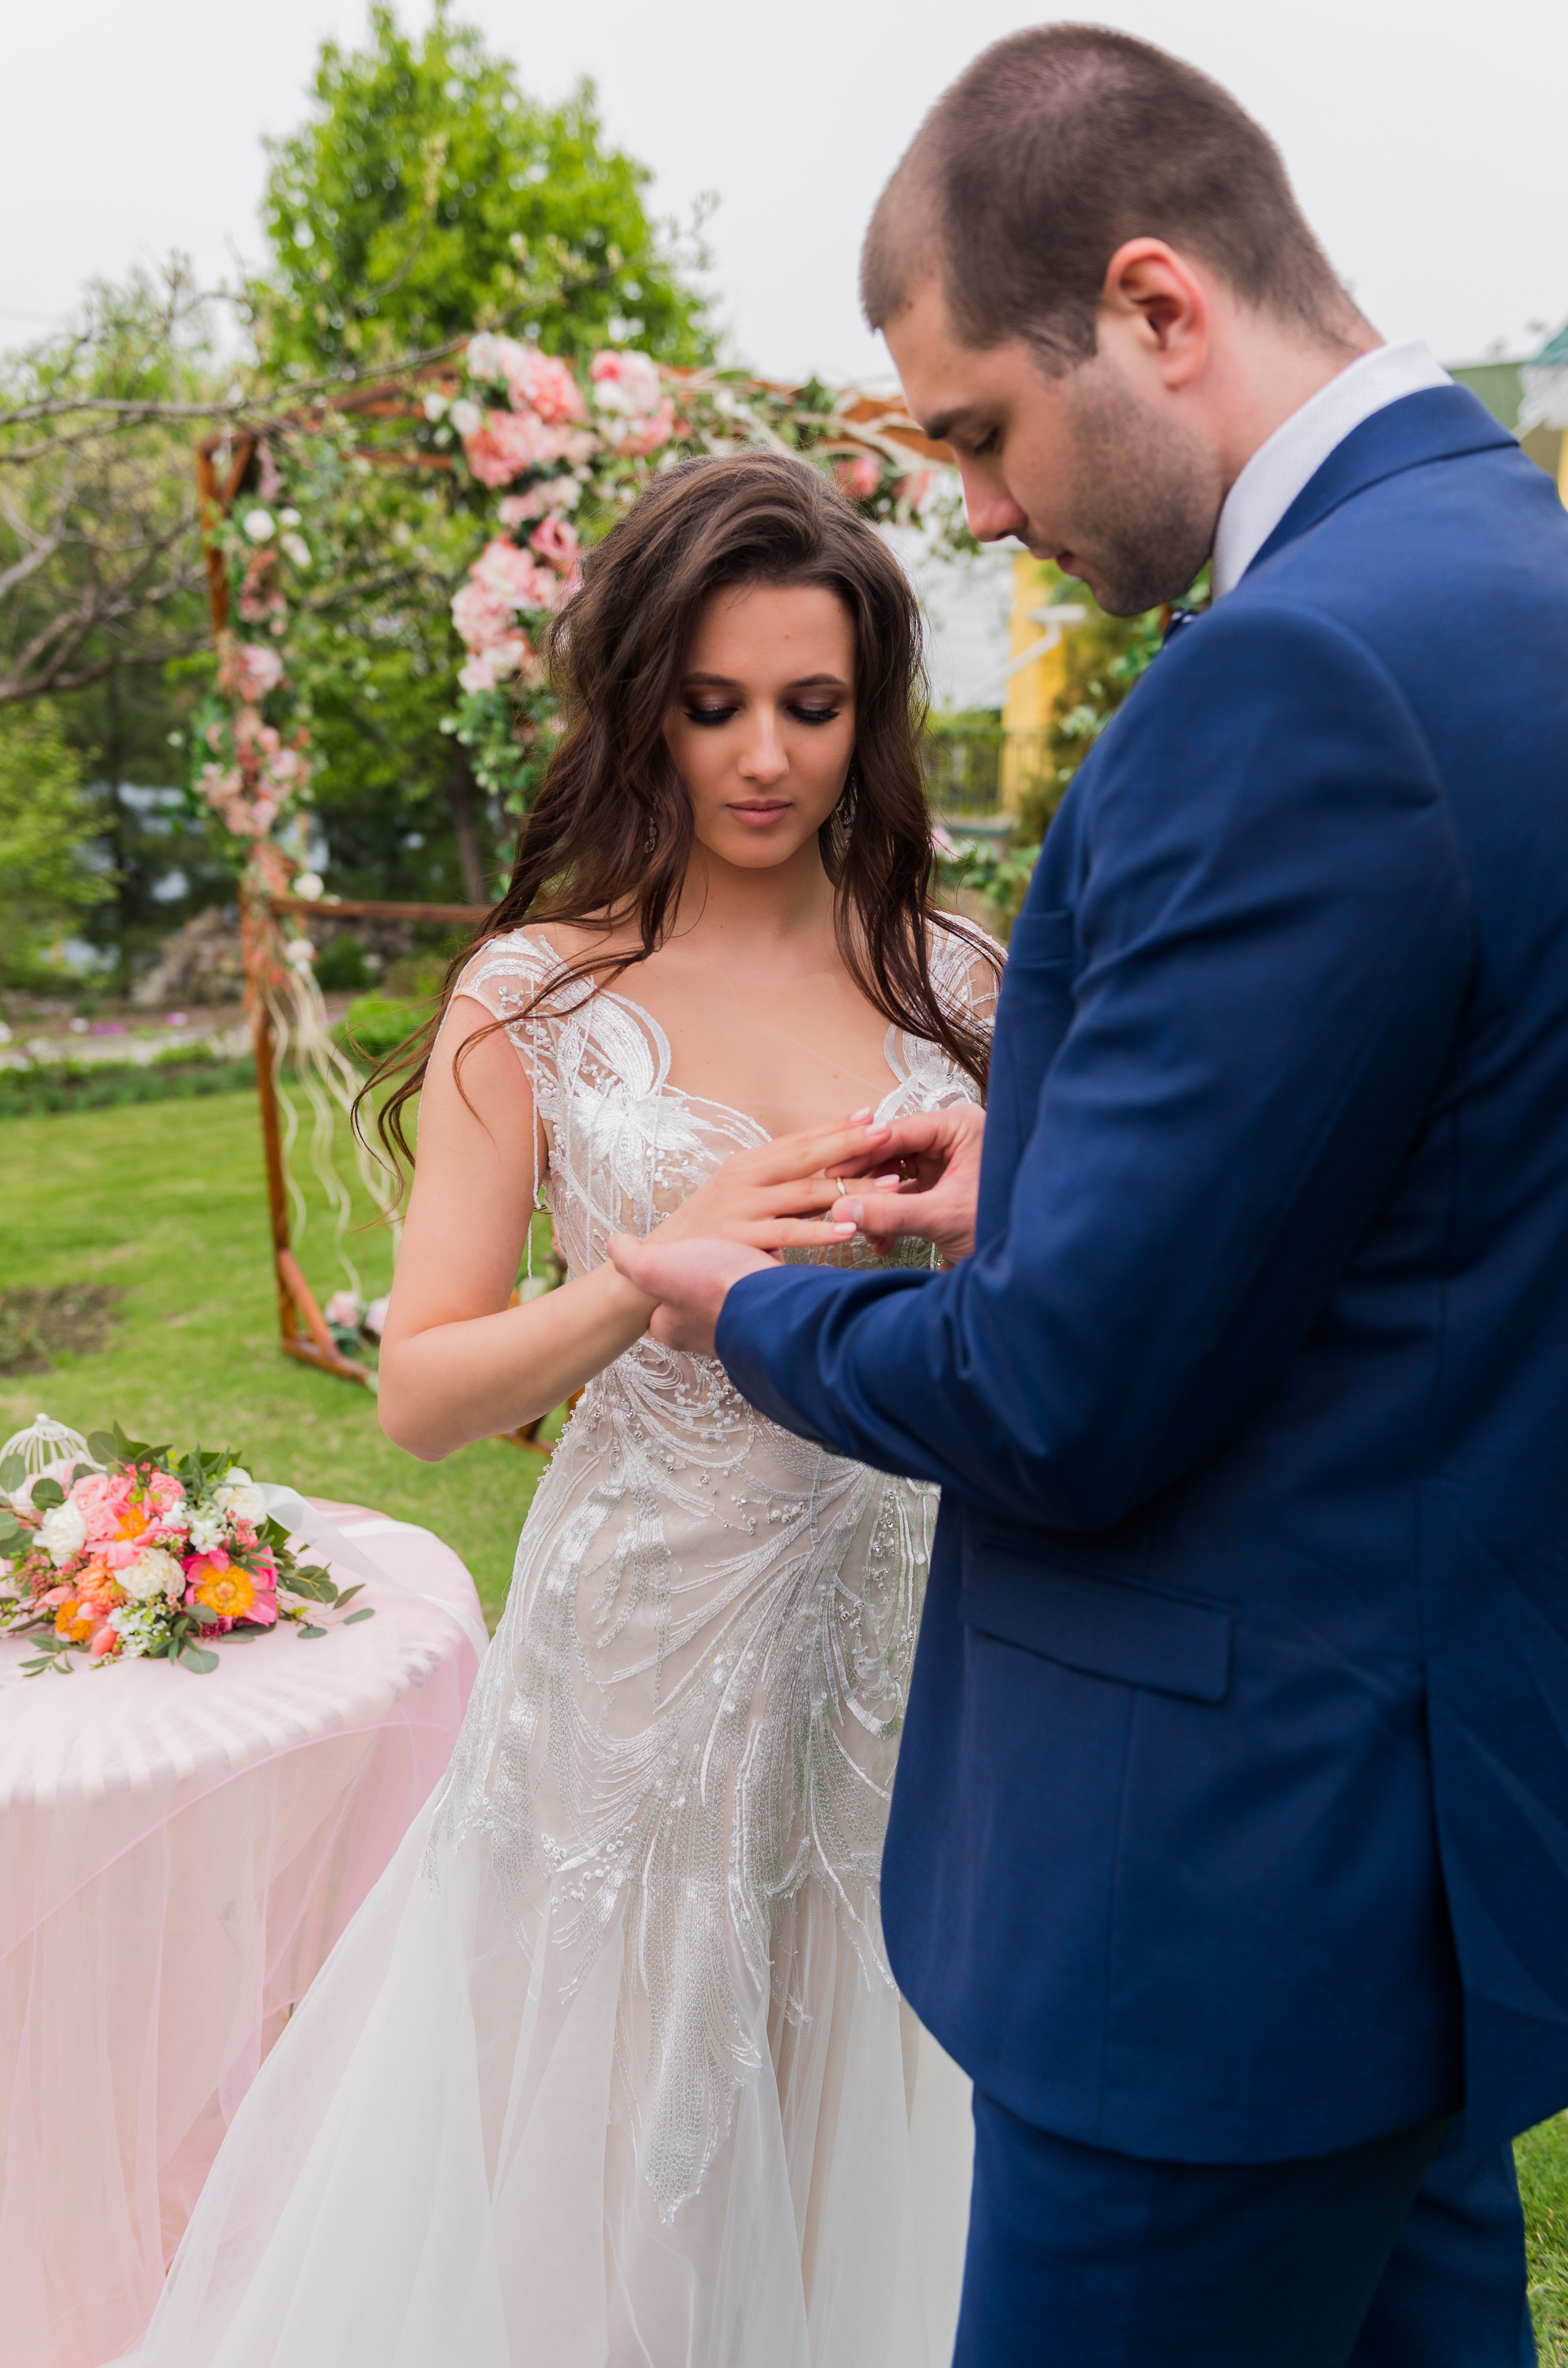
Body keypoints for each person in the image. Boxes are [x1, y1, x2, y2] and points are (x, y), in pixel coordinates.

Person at [612, 27, 1568, 2367]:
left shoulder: (1299, 678)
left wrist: (733, 1301)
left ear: (1155, 308)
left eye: (977, 432)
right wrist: (1031, 1155)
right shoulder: (1520, 577)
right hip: (1419, 1854)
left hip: (1214, 1910)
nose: (985, 512)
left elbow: (1063, 1397)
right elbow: (1426, 1160)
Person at [114, 453, 998, 2367]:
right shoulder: (534, 998)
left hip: (898, 1667)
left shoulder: (960, 991)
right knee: (620, 2180)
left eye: (813, 704)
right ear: (641, 706)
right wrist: (635, 1270)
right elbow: (421, 1390)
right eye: (713, 704)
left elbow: (1052, 1326)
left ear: (873, 713)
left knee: (864, 2103)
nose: (763, 753)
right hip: (632, 1684)